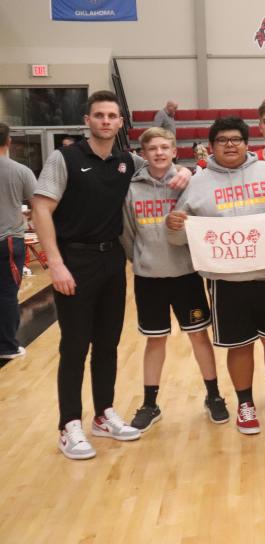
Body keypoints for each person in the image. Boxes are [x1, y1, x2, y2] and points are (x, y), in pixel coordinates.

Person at [33, 90, 189, 460]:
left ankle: (103, 414)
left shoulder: (126, 161)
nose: (105, 121)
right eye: (99, 115)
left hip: (112, 262)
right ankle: (69, 424)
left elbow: (160, 164)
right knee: (74, 345)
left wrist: (183, 170)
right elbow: (41, 209)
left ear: (120, 123)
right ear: (87, 120)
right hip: (74, 261)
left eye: (112, 116)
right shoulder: (64, 158)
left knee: (108, 343)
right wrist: (55, 263)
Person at [166, 116, 265, 435]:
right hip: (226, 283)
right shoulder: (197, 182)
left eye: (236, 139)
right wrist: (172, 227)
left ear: (246, 143)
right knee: (239, 346)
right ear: (210, 146)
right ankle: (244, 401)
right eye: (222, 140)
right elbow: (180, 235)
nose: (230, 144)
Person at [119, 127, 226, 431]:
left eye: (165, 147)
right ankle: (150, 404)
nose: (159, 153)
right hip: (149, 277)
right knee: (155, 340)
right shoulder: (132, 188)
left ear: (175, 151)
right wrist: (140, 259)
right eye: (152, 148)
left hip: (185, 276)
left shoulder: (187, 183)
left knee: (198, 336)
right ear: (143, 154)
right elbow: (128, 234)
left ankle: (214, 396)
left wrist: (191, 173)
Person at [0, 122, 36, 360]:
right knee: (6, 294)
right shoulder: (20, 170)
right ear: (9, 141)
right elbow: (39, 204)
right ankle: (7, 347)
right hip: (8, 241)